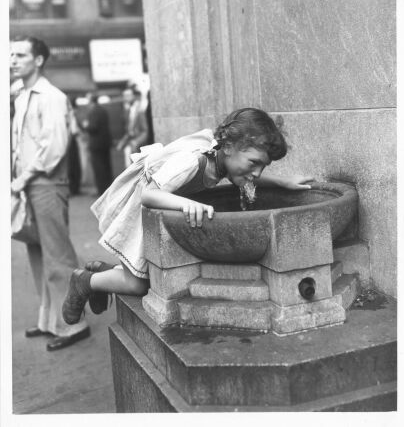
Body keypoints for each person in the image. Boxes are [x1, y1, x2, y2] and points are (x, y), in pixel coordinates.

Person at [62, 107, 313, 324]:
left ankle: (106, 272)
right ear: (228, 147)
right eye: (253, 163)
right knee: (139, 285)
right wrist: (184, 204)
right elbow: (149, 195)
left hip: (157, 203)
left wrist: (283, 182)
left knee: (146, 273)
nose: (257, 173)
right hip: (144, 199)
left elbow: (243, 177)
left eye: (263, 167)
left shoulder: (222, 157)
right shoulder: (193, 162)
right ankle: (85, 281)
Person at [10, 35, 90, 350]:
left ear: (39, 60)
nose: (12, 60)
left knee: (57, 256)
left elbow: (53, 147)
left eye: (20, 55)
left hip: (44, 182)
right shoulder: (20, 96)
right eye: (10, 55)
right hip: (27, 184)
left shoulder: (52, 96)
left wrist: (23, 178)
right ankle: (50, 321)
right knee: (38, 253)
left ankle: (74, 325)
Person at [81, 92, 113, 196]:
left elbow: (93, 127)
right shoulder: (103, 110)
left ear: (91, 101)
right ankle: (109, 189)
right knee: (106, 167)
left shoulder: (92, 112)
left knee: (99, 169)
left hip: (96, 145)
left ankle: (101, 191)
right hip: (105, 144)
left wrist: (85, 125)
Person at [116, 84, 149, 167]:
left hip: (138, 145)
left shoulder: (139, 110)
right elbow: (129, 129)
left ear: (133, 96)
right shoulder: (128, 110)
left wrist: (136, 142)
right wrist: (123, 141)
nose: (125, 98)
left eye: (128, 95)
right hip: (130, 142)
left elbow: (145, 131)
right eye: (124, 96)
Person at [67, 97, 82, 196]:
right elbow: (74, 130)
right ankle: (74, 188)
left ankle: (74, 188)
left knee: (73, 164)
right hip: (71, 140)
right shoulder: (71, 114)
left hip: (70, 140)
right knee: (73, 164)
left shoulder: (70, 114)